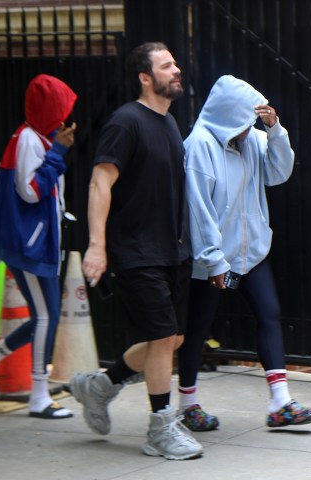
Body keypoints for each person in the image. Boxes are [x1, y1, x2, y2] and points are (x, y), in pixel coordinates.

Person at [67, 42, 203, 460]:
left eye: (175, 64)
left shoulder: (170, 125)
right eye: (167, 66)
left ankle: (101, 386)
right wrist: (97, 246)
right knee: (162, 336)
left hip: (171, 251)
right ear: (146, 77)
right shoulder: (125, 122)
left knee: (172, 338)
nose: (176, 70)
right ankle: (160, 429)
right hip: (135, 250)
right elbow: (99, 183)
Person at [177, 74, 311, 431]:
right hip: (212, 258)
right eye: (245, 121)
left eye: (251, 121)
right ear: (228, 116)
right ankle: (187, 403)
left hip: (250, 250)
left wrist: (275, 131)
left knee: (269, 312)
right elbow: (199, 209)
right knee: (198, 327)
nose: (248, 128)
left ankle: (280, 403)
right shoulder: (199, 146)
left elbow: (279, 173)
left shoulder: (253, 140)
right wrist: (212, 261)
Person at [0, 74, 78, 419]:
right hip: (30, 247)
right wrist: (59, 150)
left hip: (29, 243)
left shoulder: (28, 137)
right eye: (61, 110)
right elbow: (30, 191)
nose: (64, 119)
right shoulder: (31, 140)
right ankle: (39, 396)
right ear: (50, 110)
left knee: (44, 316)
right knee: (46, 316)